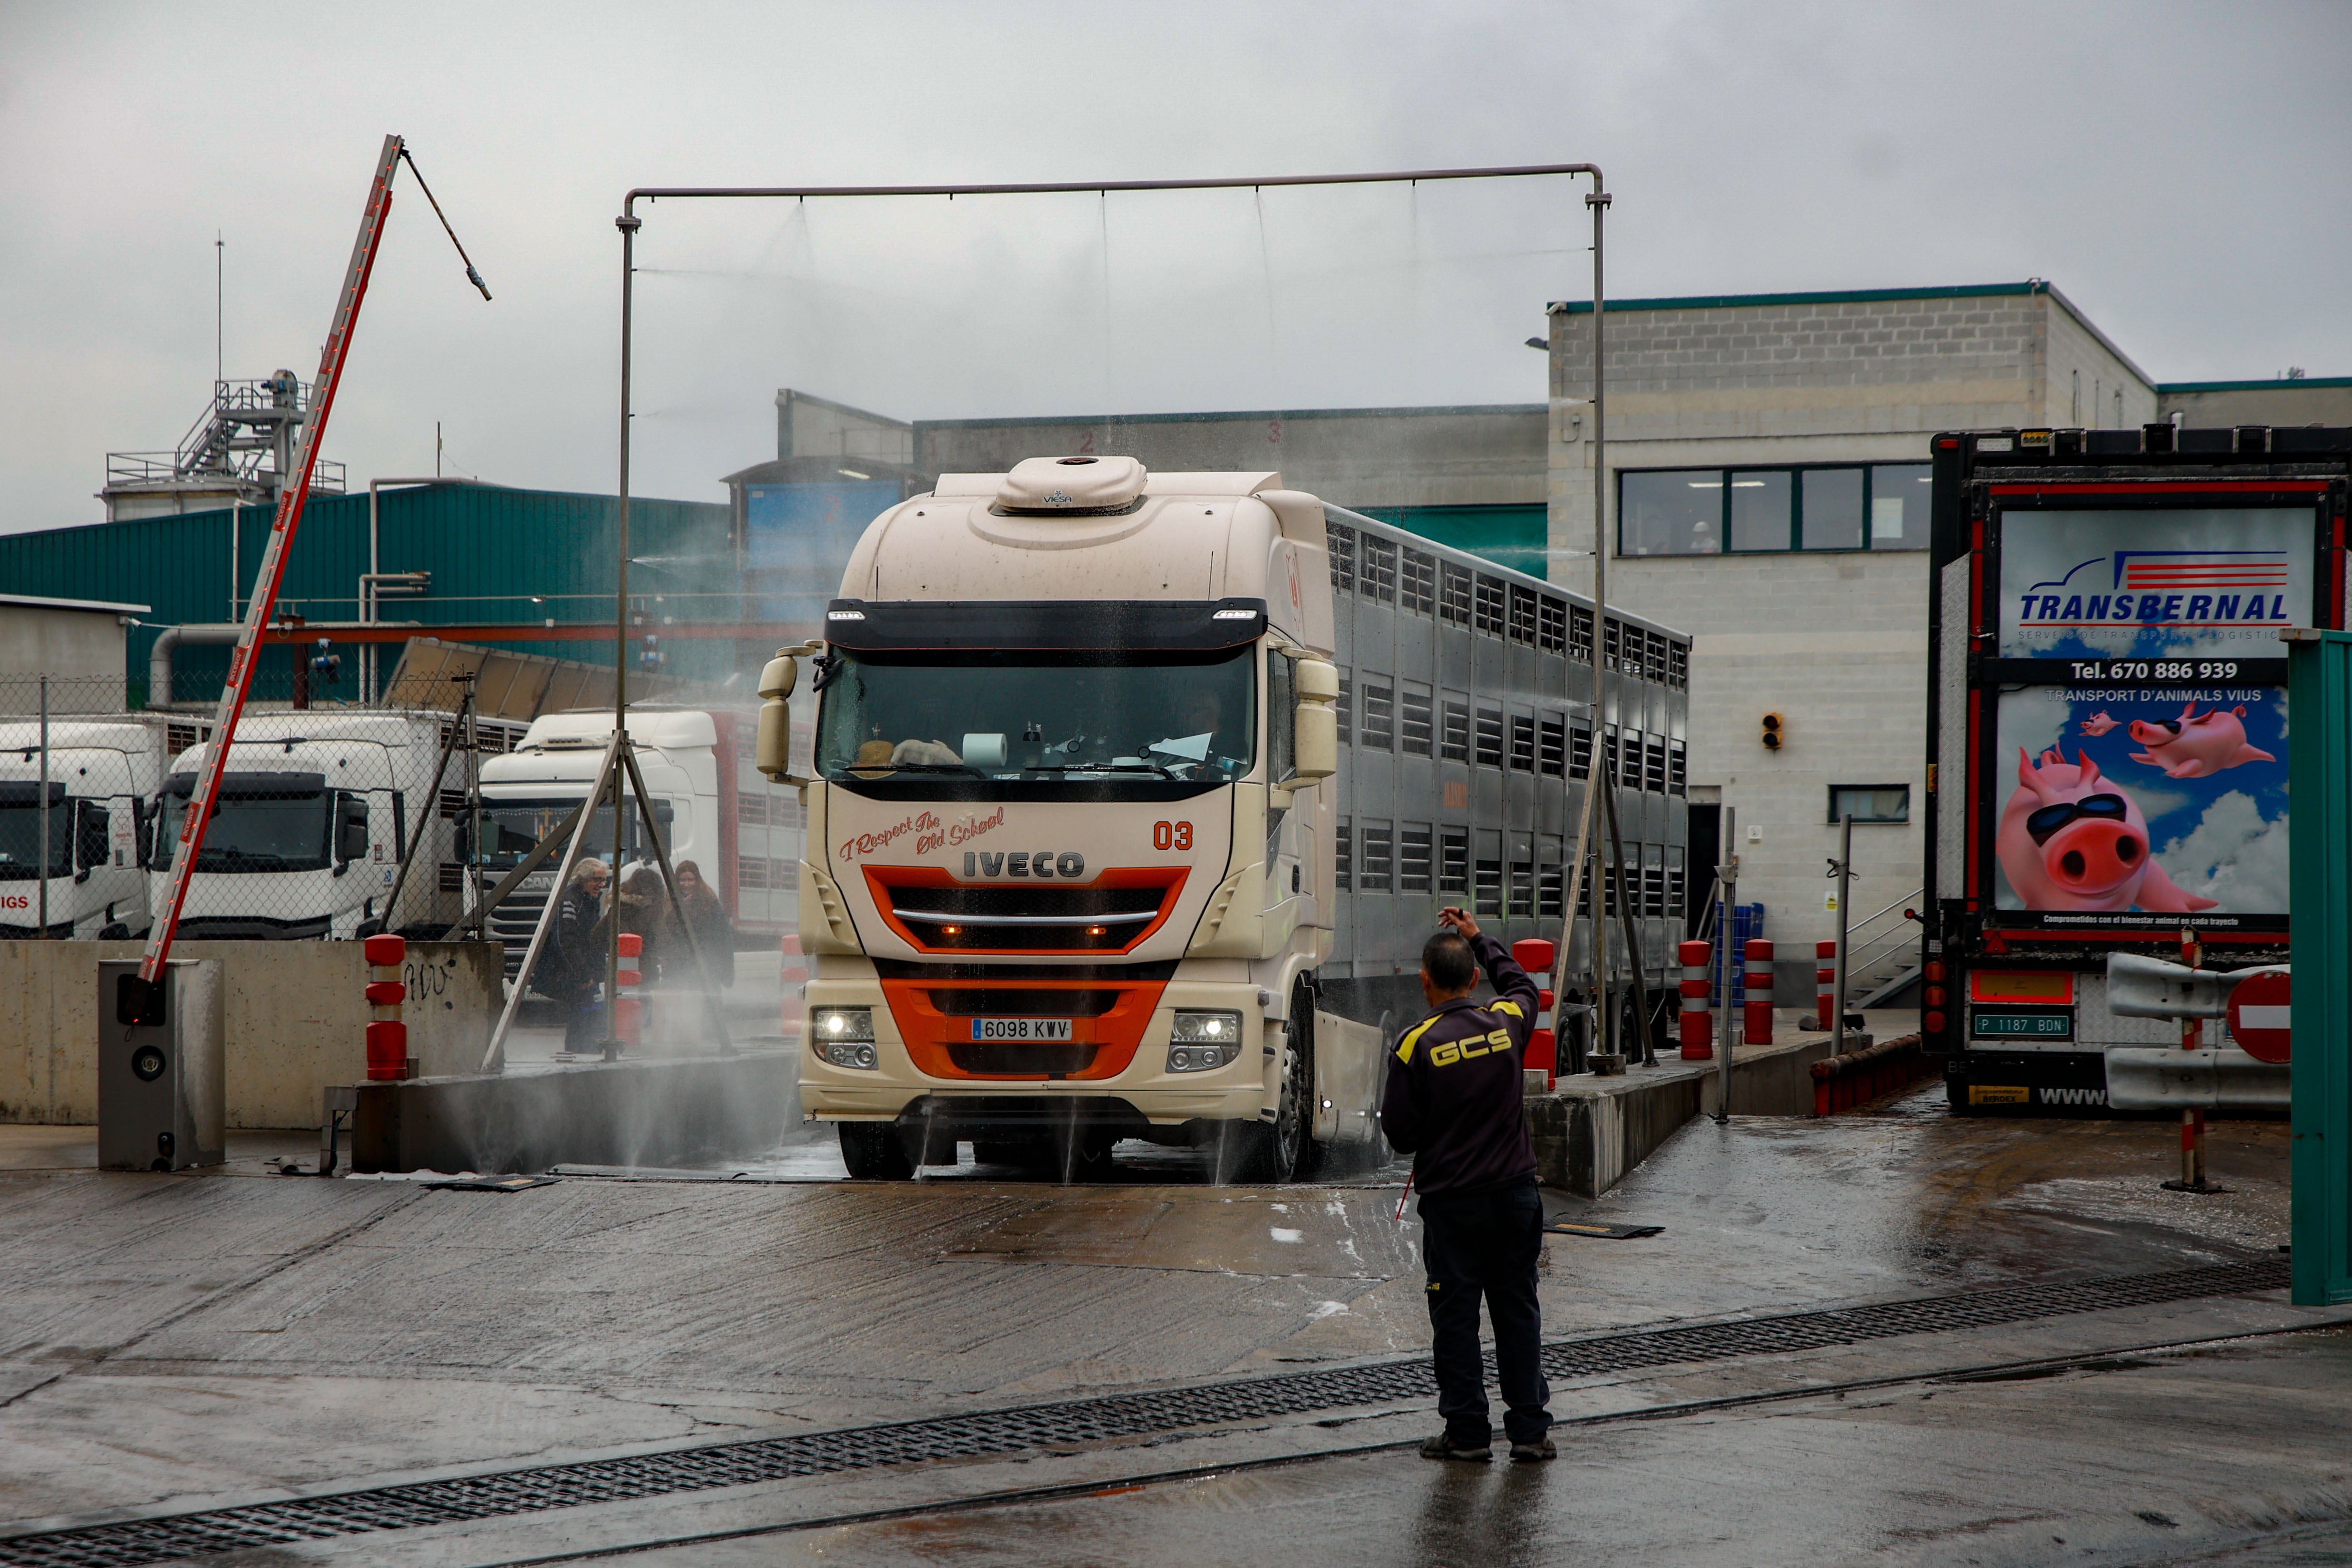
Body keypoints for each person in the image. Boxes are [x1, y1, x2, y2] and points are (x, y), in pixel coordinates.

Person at [1380, 905, 1554, 1463]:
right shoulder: (1506, 1021)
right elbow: (1524, 985)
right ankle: (1528, 1433)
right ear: (1474, 978)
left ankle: (1467, 1434)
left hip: (1454, 1207)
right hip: (1515, 1197)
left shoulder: (1414, 1044)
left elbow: (1400, 1136)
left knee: (1455, 1317)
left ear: (1424, 980)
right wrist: (1480, 937)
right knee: (1516, 1311)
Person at [548, 859, 610, 1053]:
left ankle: (587, 1052)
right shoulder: (570, 900)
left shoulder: (589, 900)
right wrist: (584, 975)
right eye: (596, 880)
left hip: (591, 970)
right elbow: (567, 941)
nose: (601, 885)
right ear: (582, 879)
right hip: (578, 972)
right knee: (581, 1018)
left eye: (603, 880)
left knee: (592, 1016)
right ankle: (577, 1055)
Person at [666, 859, 734, 992]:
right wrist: (680, 909)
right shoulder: (669, 901)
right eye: (682, 880)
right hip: (679, 965)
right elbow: (668, 931)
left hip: (707, 967)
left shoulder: (710, 901)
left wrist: (725, 970)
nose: (686, 884)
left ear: (697, 880)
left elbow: (723, 936)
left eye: (690, 880)